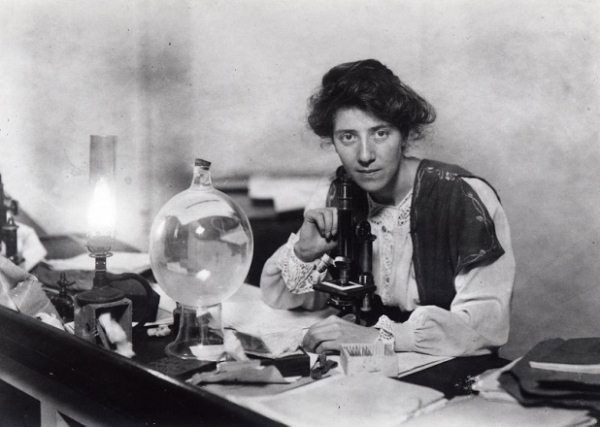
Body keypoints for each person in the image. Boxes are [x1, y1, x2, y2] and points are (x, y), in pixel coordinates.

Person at [260, 59, 515, 356]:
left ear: (404, 135)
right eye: (348, 136)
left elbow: (484, 328)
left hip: (447, 365)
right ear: (333, 140)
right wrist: (303, 254)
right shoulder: (336, 190)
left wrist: (378, 337)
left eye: (380, 133)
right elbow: (279, 298)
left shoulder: (463, 196)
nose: (365, 155)